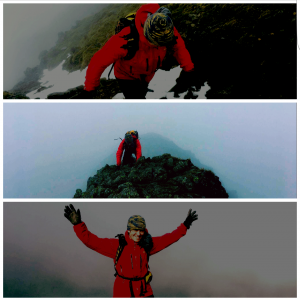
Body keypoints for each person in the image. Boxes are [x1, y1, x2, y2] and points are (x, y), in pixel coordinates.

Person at [64, 204, 198, 297]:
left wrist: (185, 225)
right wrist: (78, 224)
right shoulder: (117, 245)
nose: (138, 234)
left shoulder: (148, 244)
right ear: (129, 230)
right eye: (135, 230)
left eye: (141, 230)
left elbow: (169, 238)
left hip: (144, 291)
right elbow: (91, 242)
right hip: (123, 292)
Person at [83, 4, 195, 99]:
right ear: (146, 33)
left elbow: (178, 46)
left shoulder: (165, 28)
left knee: (141, 93)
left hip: (147, 74)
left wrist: (188, 69)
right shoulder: (126, 38)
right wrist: (90, 89)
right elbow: (98, 61)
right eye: (155, 43)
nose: (159, 46)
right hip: (126, 76)